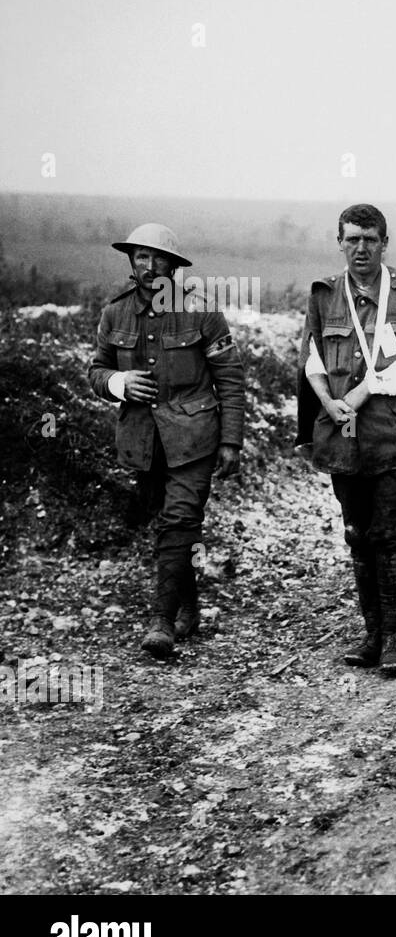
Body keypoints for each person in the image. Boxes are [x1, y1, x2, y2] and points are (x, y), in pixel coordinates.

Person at [299, 204, 396, 676]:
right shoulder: (325, 293)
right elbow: (311, 357)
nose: (360, 248)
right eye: (351, 239)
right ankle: (369, 634)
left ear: (384, 242)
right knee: (357, 535)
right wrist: (326, 400)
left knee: (389, 535)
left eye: (369, 239)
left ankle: (394, 640)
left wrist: (363, 391)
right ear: (339, 242)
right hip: (343, 433)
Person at [88, 223, 245, 659]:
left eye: (158, 258)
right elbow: (95, 371)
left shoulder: (201, 311)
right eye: (140, 256)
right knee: (170, 525)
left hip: (195, 436)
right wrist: (118, 381)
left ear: (173, 266)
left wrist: (231, 442)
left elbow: (229, 379)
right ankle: (187, 607)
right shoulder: (114, 313)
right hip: (143, 440)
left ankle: (161, 620)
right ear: (131, 262)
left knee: (178, 520)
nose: (149, 265)